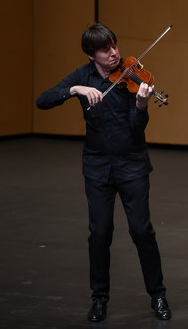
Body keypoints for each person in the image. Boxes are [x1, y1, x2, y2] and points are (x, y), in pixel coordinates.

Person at [36, 23, 171, 322]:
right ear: (91, 54)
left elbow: (137, 130)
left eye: (114, 46)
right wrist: (74, 90)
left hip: (132, 163)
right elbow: (42, 100)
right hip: (97, 166)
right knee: (99, 233)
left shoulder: (130, 77)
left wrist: (142, 105)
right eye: (105, 49)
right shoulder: (81, 77)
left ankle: (158, 294)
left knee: (141, 230)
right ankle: (99, 299)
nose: (114, 53)